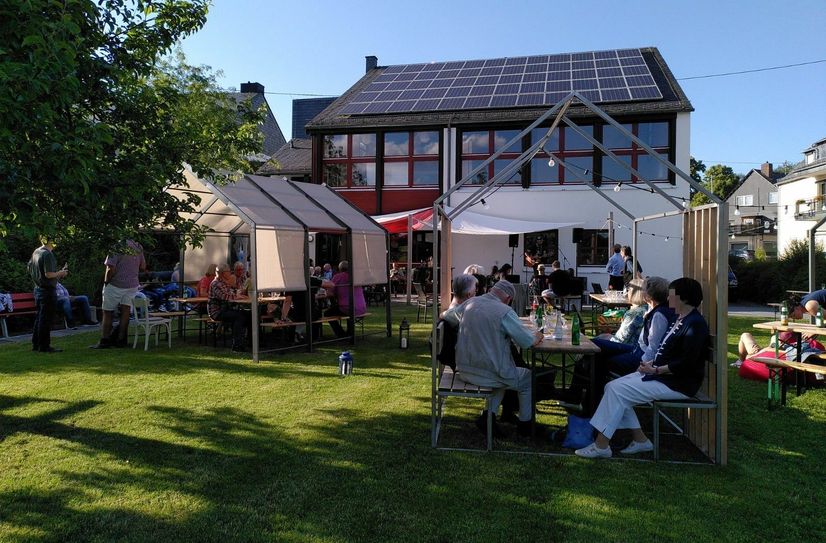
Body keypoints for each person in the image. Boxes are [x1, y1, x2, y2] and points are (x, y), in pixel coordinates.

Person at [575, 277, 710, 459]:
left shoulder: (695, 323)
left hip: (678, 383)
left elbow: (687, 363)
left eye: (672, 296)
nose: (668, 300)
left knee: (617, 390)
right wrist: (652, 365)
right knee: (612, 388)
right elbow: (664, 351)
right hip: (662, 375)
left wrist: (656, 370)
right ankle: (640, 440)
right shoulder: (682, 318)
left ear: (684, 298)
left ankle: (601, 445)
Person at [444, 280, 544, 437]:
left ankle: (488, 418)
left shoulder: (471, 303)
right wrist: (537, 336)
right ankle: (526, 425)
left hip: (464, 369)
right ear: (508, 298)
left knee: (501, 373)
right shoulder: (504, 311)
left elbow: (448, 316)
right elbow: (526, 342)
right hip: (488, 372)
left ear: (491, 291)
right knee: (526, 379)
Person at [93, 239, 146, 349]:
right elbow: (143, 266)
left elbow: (110, 267)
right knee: (125, 311)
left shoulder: (117, 246)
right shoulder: (138, 246)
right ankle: (121, 340)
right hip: (132, 284)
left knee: (107, 312)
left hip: (115, 284)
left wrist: (106, 282)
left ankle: (104, 340)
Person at [27, 238, 68, 353]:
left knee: (40, 318)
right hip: (47, 290)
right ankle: (44, 346)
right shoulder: (47, 254)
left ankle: (36, 344)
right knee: (46, 319)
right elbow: (49, 274)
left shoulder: (36, 252)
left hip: (38, 289)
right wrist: (61, 273)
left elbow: (29, 268)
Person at [208, 262, 250, 352]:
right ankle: (237, 345)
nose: (230, 273)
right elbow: (225, 296)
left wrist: (237, 295)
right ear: (223, 273)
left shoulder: (223, 283)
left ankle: (248, 342)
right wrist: (238, 296)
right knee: (239, 317)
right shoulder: (216, 283)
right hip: (217, 312)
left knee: (248, 315)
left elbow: (232, 293)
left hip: (225, 310)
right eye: (228, 271)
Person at [327, 260, 367, 338]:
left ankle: (341, 334)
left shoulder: (337, 277)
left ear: (340, 269)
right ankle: (349, 333)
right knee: (347, 310)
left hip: (347, 308)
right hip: (361, 308)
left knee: (327, 314)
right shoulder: (355, 277)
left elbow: (330, 293)